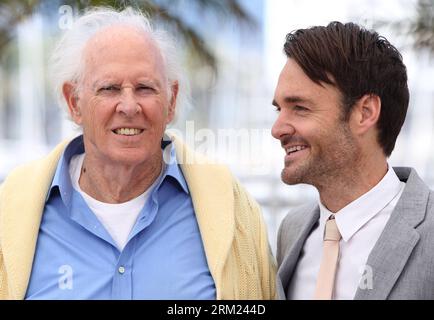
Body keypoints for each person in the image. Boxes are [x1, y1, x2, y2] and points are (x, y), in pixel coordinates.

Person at [0, 7, 276, 300]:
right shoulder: (10, 214)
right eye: (109, 88)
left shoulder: (232, 209)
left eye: (145, 88)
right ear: (74, 102)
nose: (129, 107)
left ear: (171, 102)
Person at [272, 21, 434, 300]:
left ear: (365, 112)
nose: (277, 129)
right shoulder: (292, 229)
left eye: (299, 107)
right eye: (279, 109)